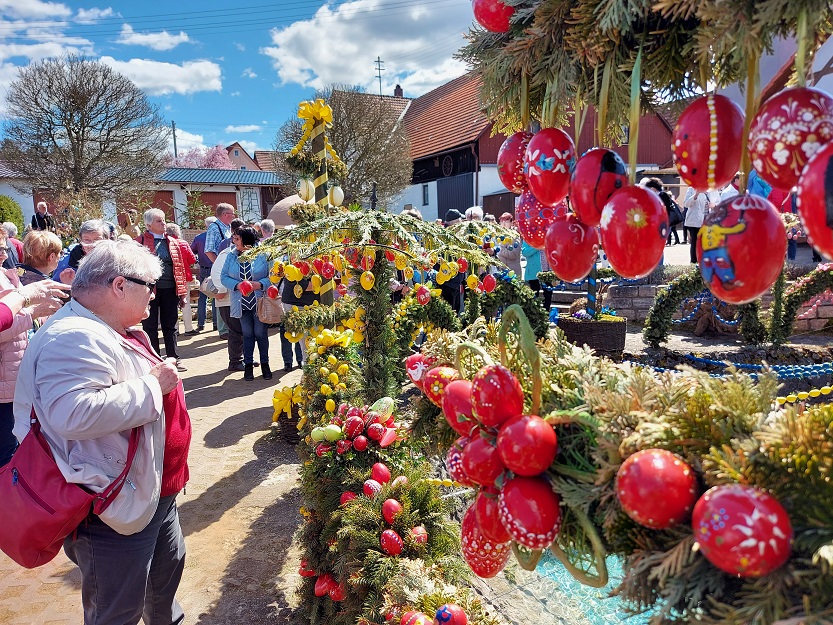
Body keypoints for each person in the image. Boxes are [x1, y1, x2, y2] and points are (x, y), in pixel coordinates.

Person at [13, 239, 191, 625]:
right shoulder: (74, 336)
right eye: (150, 286)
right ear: (119, 285)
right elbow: (73, 414)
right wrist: (153, 386)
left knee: (160, 594)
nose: (155, 295)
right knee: (117, 610)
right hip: (110, 503)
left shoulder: (107, 325)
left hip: (146, 492)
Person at [0, 225, 68, 467]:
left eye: (5, 248)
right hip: (7, 380)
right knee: (8, 448)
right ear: (52, 257)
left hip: (13, 373)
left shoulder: (11, 274)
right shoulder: (30, 283)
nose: (5, 255)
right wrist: (31, 311)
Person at [136, 209, 189, 372]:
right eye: (159, 221)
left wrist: (182, 293)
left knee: (171, 325)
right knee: (150, 326)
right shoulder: (139, 242)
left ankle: (173, 359)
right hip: (148, 291)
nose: (164, 223)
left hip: (170, 289)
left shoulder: (173, 242)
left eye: (164, 220)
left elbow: (179, 268)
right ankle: (154, 359)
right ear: (148, 224)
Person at [220, 225, 272, 381]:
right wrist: (237, 285)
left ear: (246, 239)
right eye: (234, 238)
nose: (234, 241)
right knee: (247, 334)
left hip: (260, 301)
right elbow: (224, 277)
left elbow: (274, 276)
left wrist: (260, 284)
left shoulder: (264, 254)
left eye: (237, 238)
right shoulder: (231, 255)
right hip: (241, 301)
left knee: (261, 333)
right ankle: (248, 366)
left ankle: (265, 364)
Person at [166, 223, 198, 336]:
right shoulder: (183, 243)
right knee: (186, 303)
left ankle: (175, 329)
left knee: (171, 304)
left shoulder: (165, 243)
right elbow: (192, 259)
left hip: (169, 278)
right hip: (184, 277)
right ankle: (188, 328)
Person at [54, 219, 111, 283]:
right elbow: (55, 287)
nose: (92, 244)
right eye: (87, 240)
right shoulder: (66, 263)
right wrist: (68, 286)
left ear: (106, 240)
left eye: (97, 240)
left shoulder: (114, 260)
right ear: (81, 241)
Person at [190, 216, 216, 334]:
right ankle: (216, 323)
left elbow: (191, 252)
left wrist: (197, 260)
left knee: (202, 297)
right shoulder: (218, 237)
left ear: (206, 225)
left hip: (204, 269)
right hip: (216, 268)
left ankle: (201, 324)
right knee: (216, 295)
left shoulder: (199, 238)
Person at [683, 187, 720, 264]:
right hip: (695, 222)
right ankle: (694, 263)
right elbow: (686, 204)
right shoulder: (692, 189)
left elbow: (720, 203)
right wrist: (695, 195)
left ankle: (705, 263)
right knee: (695, 242)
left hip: (709, 222)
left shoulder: (713, 190)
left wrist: (714, 205)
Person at [642, 178, 681, 246]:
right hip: (659, 222)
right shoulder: (656, 195)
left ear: (654, 188)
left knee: (659, 243)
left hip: (664, 222)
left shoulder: (662, 195)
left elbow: (664, 208)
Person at [522, 240, 553, 311]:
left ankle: (546, 314)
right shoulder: (528, 237)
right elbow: (525, 252)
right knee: (534, 295)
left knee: (548, 294)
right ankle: (535, 315)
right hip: (534, 273)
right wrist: (538, 246)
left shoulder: (547, 236)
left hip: (547, 272)